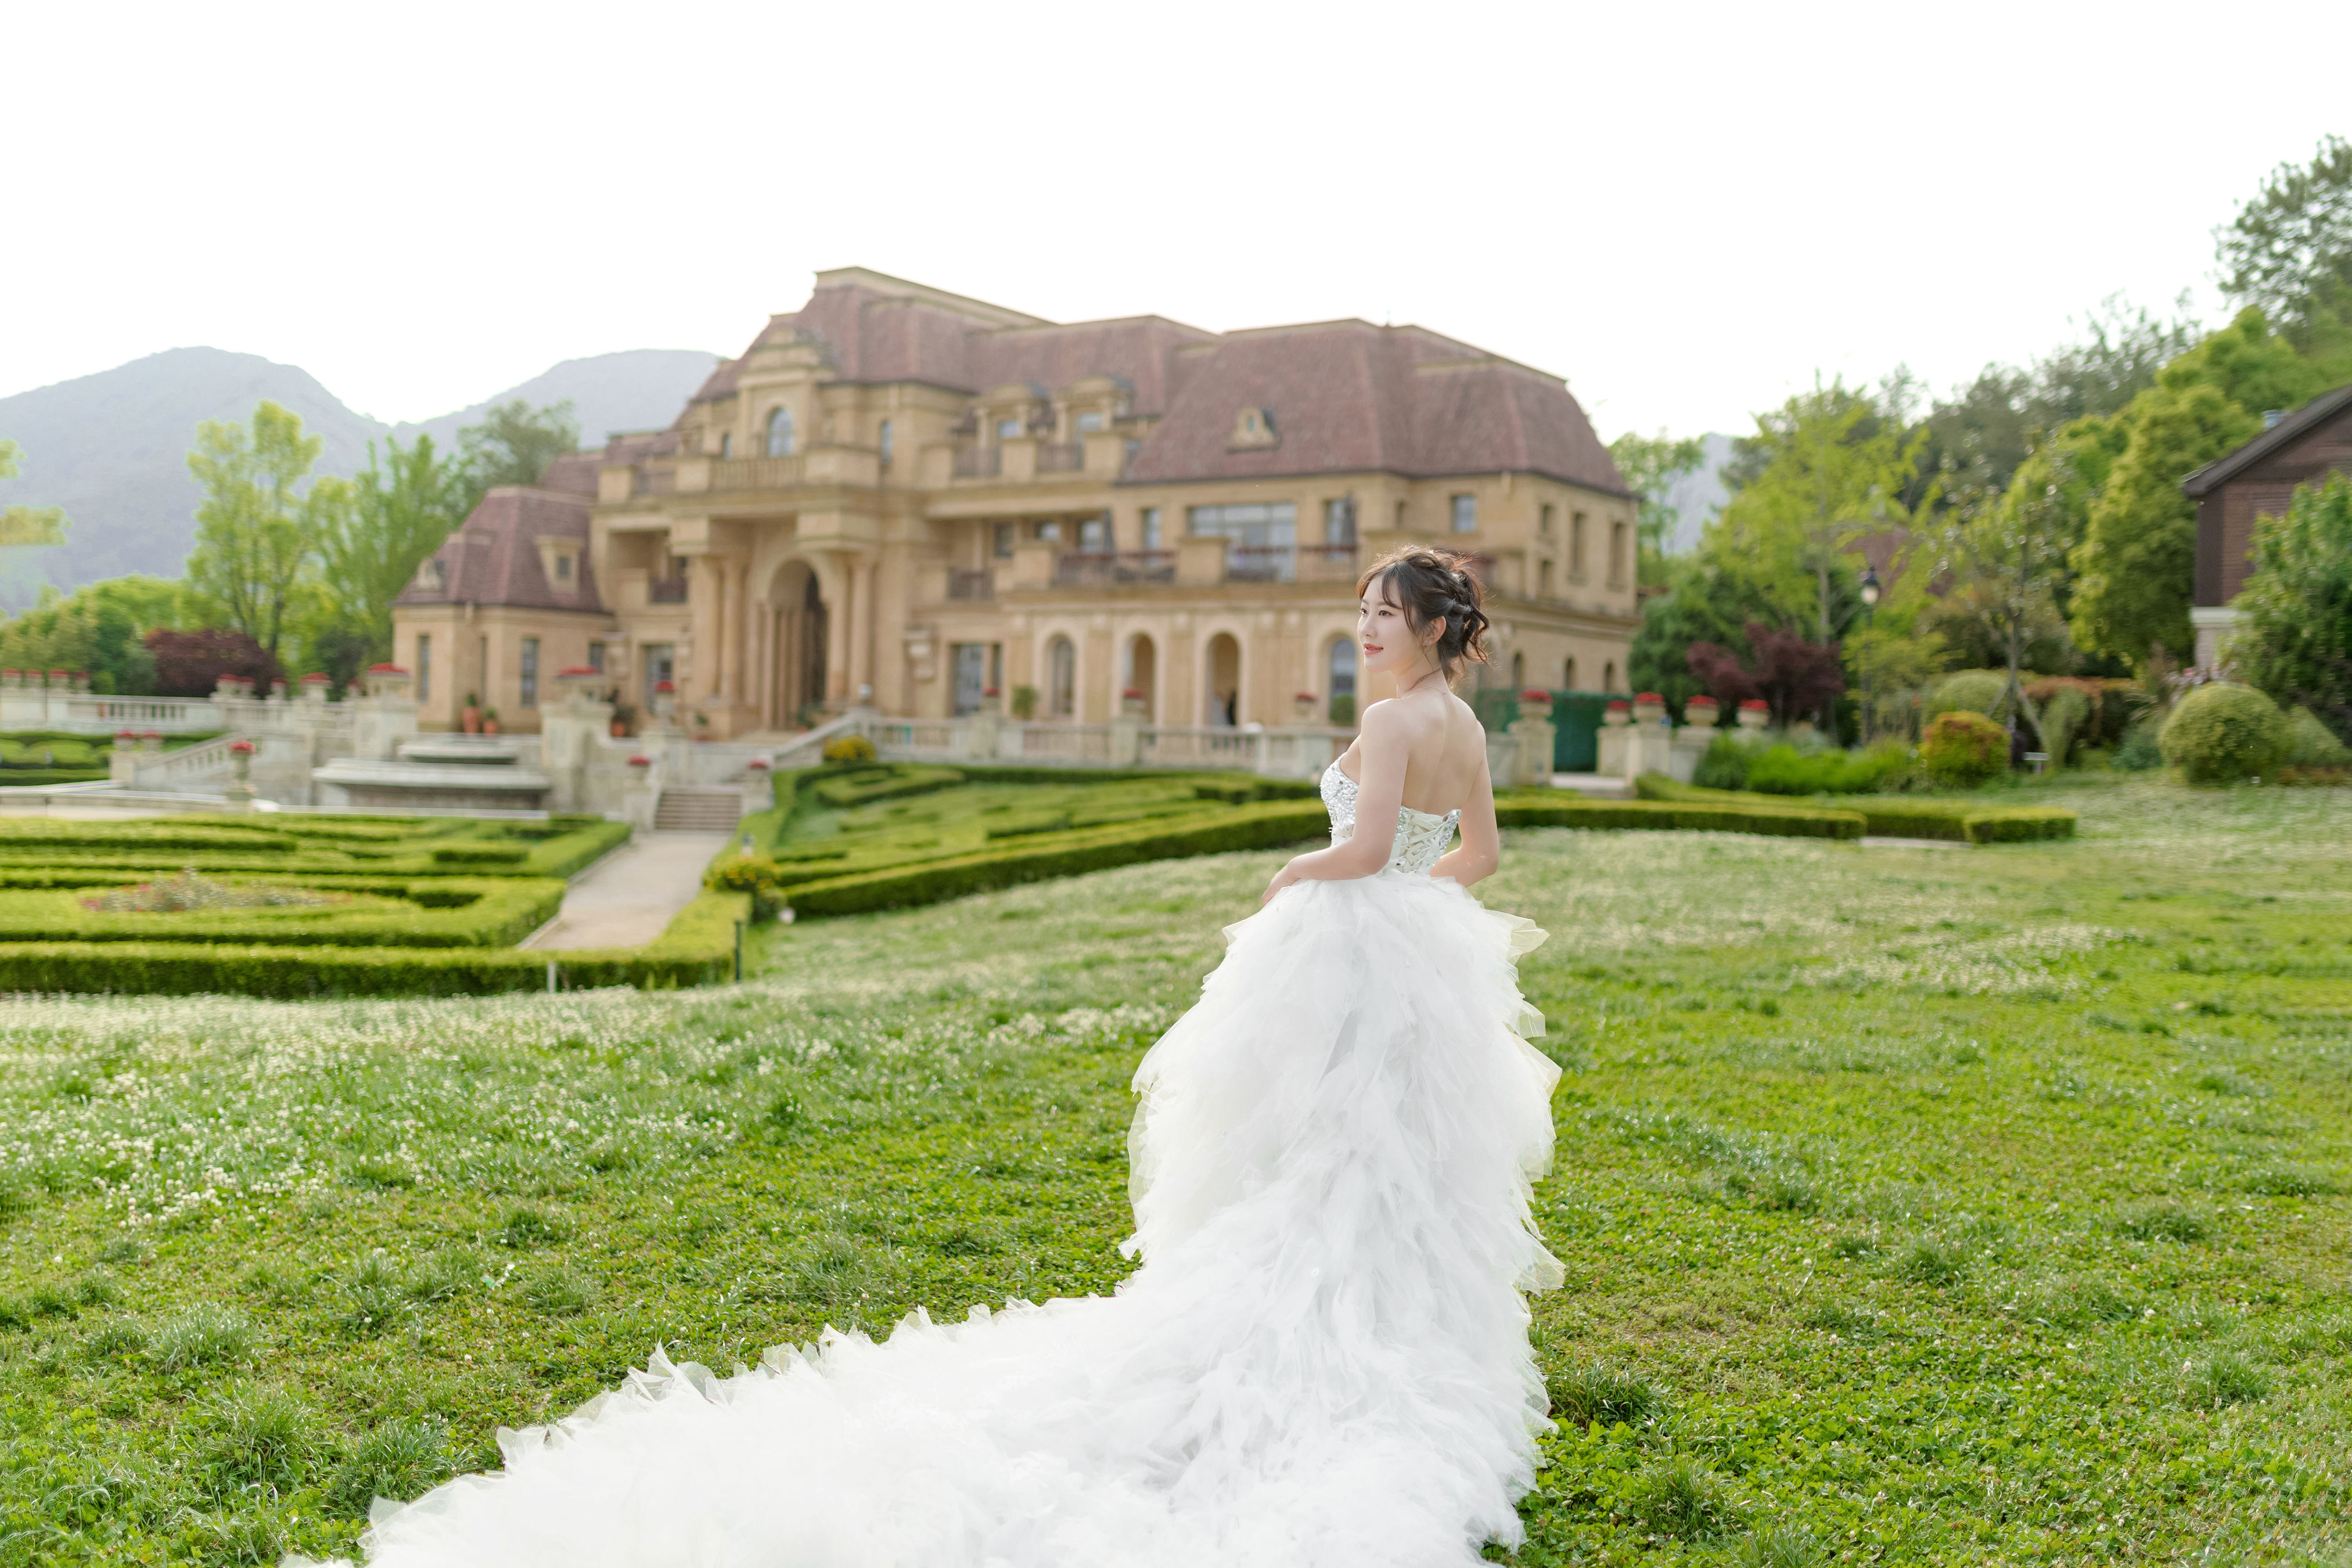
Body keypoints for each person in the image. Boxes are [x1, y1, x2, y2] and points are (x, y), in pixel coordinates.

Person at [333, 544, 1560, 1568]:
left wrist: (1312, 873)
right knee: (1384, 1149)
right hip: (1418, 958)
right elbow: (1478, 855)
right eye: (1360, 614)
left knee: (1312, 1137)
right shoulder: (1461, 721)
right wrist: (1419, 900)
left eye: (1381, 616)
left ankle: (1295, 1325)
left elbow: (1364, 845)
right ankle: (1388, 1326)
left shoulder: (1395, 718)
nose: (1363, 632)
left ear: (1431, 626)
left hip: (1347, 942)